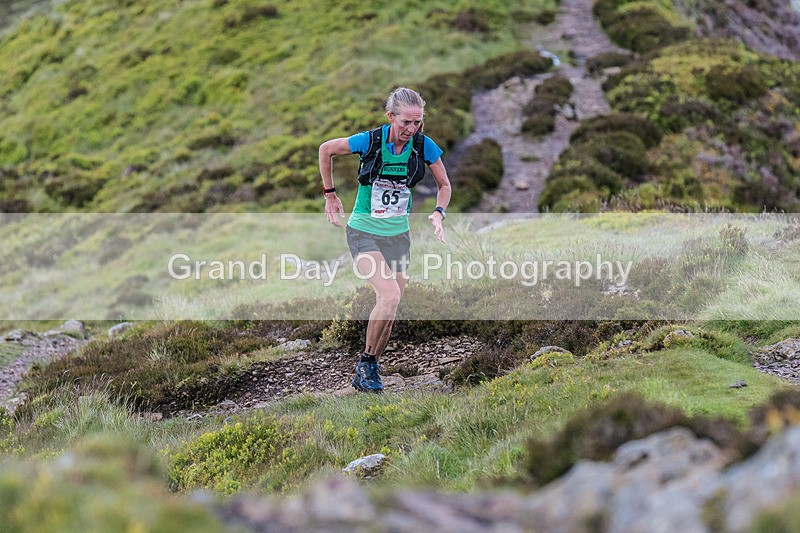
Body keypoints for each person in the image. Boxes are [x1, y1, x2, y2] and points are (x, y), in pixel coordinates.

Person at [318, 87, 452, 393]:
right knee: (389, 295)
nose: (411, 129)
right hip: (363, 231)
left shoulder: (423, 146)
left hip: (398, 236)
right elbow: (326, 149)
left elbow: (444, 184)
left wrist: (438, 212)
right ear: (390, 116)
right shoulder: (370, 140)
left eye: (417, 122)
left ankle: (369, 368)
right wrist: (330, 194)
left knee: (392, 305)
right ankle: (366, 364)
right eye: (405, 122)